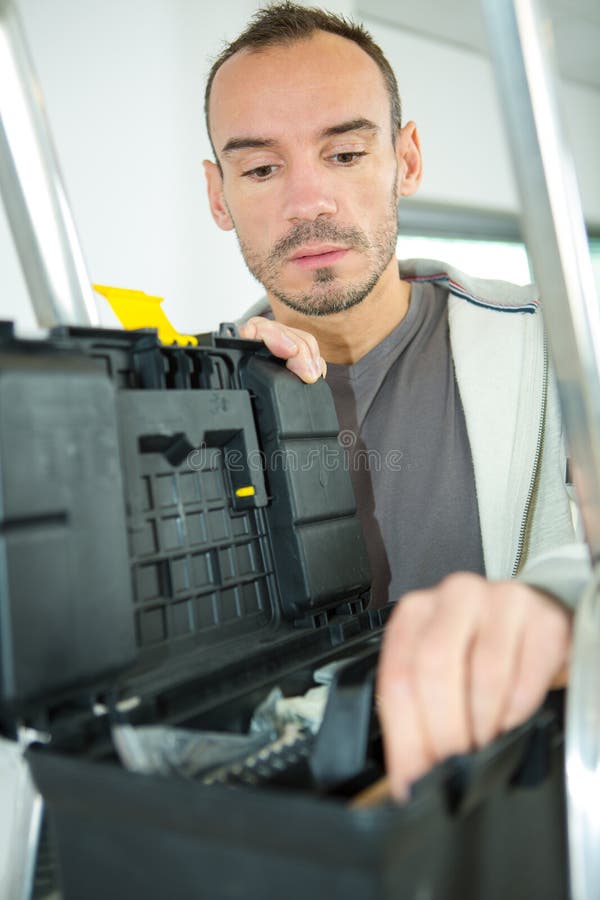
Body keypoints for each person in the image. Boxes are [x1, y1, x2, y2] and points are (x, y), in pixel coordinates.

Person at [202, 2, 589, 799]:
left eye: (345, 153)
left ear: (405, 161)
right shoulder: (187, 402)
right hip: (286, 830)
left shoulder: (564, 351)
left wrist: (558, 606)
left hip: (520, 814)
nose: (309, 201)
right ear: (219, 195)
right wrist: (213, 409)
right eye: (262, 169)